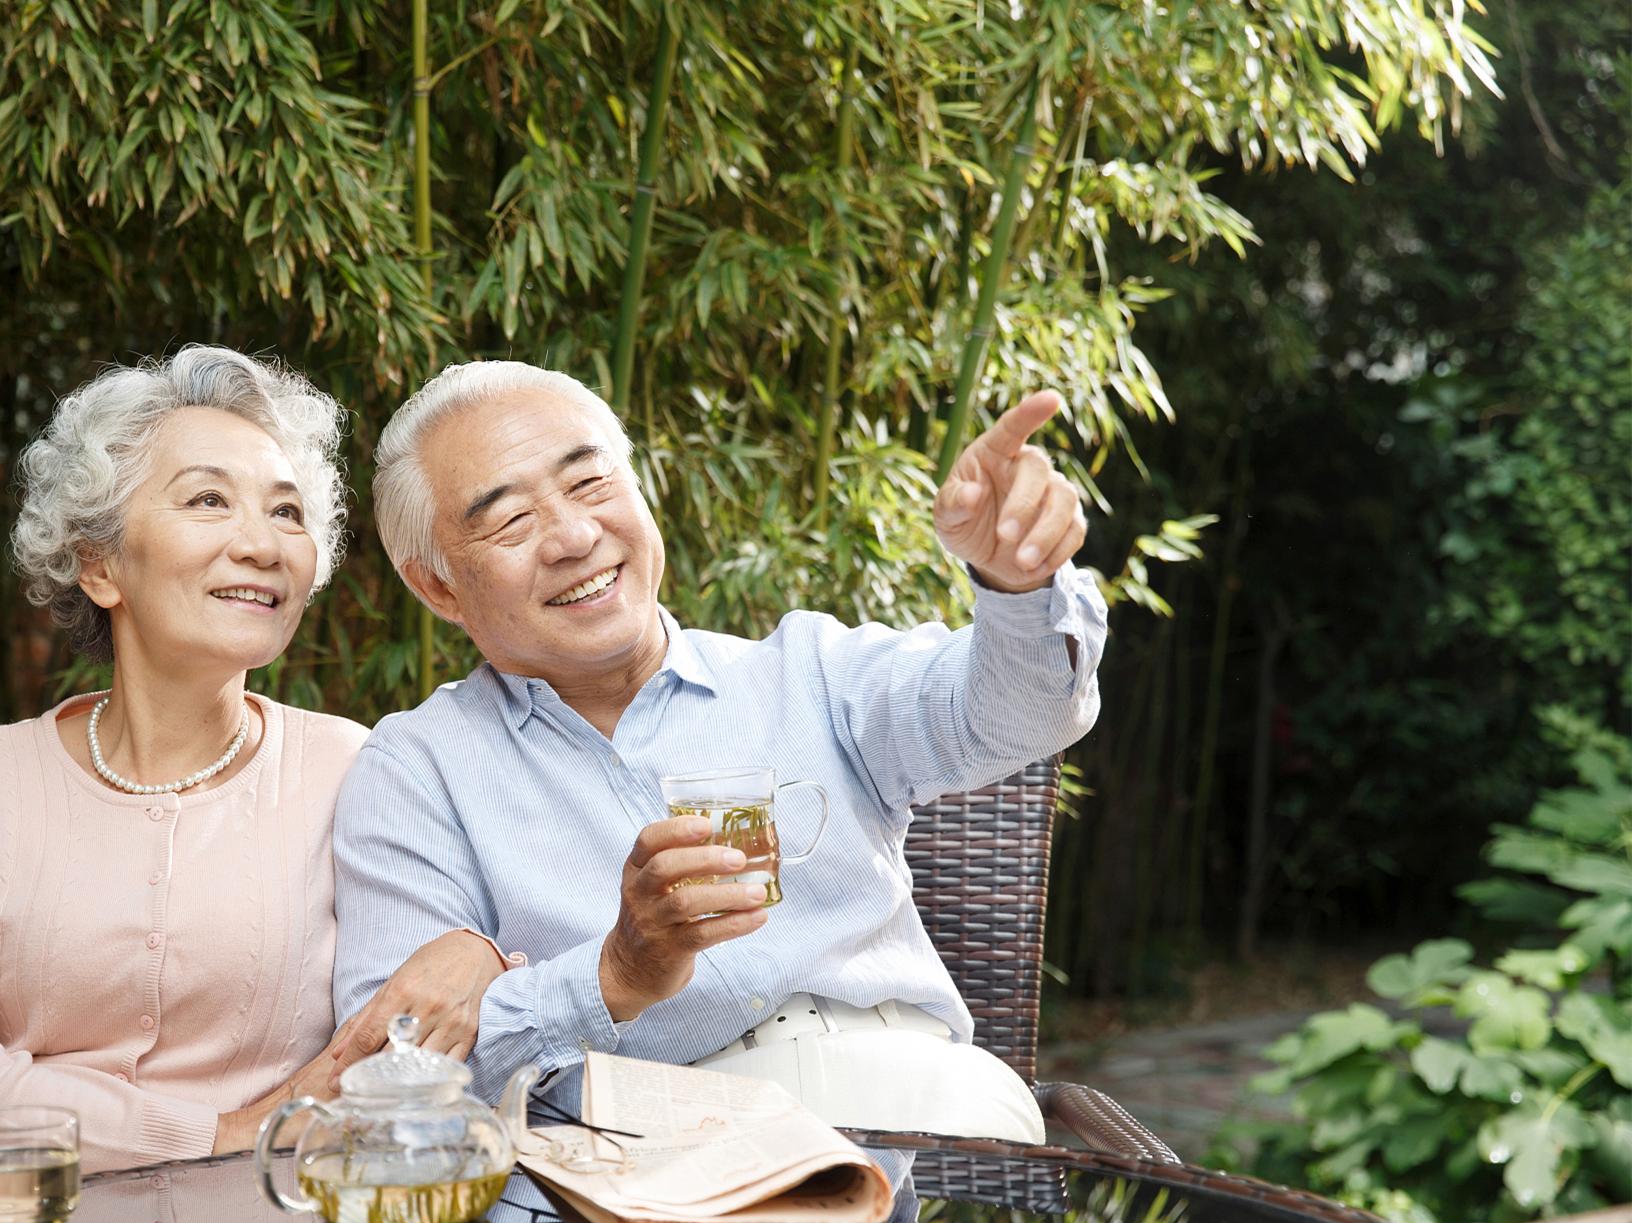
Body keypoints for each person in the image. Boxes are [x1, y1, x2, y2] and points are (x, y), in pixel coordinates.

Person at [330, 363, 1102, 1162]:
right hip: (645, 1187)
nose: (573, 537)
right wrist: (613, 975)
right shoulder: (416, 771)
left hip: (907, 1136)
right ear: (438, 587)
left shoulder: (808, 672)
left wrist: (1017, 586)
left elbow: (1020, 713)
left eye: (590, 482)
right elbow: (393, 1083)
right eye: (512, 520)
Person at [0, 347, 506, 1223]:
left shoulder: (360, 769)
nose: (262, 544)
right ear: (99, 563)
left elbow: (425, 1028)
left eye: (288, 512)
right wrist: (221, 1128)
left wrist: (482, 953)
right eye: (207, 499)